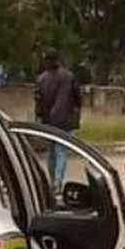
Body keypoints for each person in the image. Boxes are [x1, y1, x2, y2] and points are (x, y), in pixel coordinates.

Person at [34, 50, 82, 195]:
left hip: (48, 121)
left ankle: (52, 180)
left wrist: (40, 118)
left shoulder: (41, 79)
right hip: (66, 121)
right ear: (58, 60)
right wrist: (76, 111)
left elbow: (38, 101)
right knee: (61, 152)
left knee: (51, 153)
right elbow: (77, 97)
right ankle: (58, 182)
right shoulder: (69, 76)